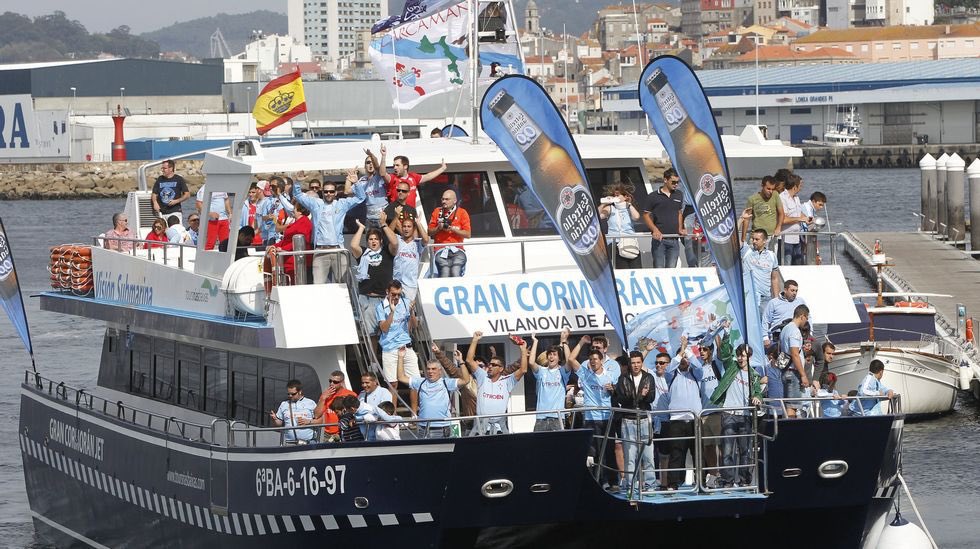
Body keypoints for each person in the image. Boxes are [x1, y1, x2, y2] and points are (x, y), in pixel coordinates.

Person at [291, 178, 366, 283]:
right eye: (326, 191)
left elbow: (361, 197)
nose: (328, 194)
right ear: (322, 192)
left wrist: (356, 182)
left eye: (331, 191)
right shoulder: (316, 204)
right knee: (318, 286)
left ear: (335, 193)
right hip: (320, 251)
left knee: (343, 286)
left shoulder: (342, 204)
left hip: (338, 250)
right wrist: (297, 182)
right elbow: (298, 195)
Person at [709, 340, 762, 488]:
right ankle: (728, 480)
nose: (740, 358)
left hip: (745, 415)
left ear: (749, 357)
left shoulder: (754, 375)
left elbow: (758, 391)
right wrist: (726, 335)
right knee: (727, 450)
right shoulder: (731, 367)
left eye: (743, 356)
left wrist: (758, 397)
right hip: (728, 413)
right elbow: (725, 352)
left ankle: (745, 480)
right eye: (739, 355)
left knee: (745, 450)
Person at [565, 345, 618, 488]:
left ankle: (613, 481)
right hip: (590, 418)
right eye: (590, 359)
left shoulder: (610, 375)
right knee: (593, 452)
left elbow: (619, 392)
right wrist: (581, 342)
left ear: (601, 361)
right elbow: (571, 359)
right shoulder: (585, 374)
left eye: (595, 359)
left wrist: (613, 389)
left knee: (609, 450)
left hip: (607, 417)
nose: (593, 362)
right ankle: (599, 481)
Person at [464, 331, 531, 435]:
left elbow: (523, 370)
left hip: (499, 429)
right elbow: (469, 360)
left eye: (494, 365)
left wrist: (522, 351)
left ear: (501, 369)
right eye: (490, 364)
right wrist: (475, 340)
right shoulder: (483, 376)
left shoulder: (507, 381)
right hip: (480, 428)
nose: (490, 366)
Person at [396, 347, 470, 438]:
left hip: (442, 427)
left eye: (433, 369)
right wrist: (400, 357)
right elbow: (401, 377)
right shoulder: (421, 382)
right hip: (423, 427)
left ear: (440, 371)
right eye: (428, 369)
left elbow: (466, 380)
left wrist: (461, 361)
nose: (430, 371)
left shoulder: (446, 382)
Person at [614, 351, 656, 493]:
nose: (636, 365)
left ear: (642, 363)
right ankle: (631, 485)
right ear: (630, 364)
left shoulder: (649, 377)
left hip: (645, 420)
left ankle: (650, 485)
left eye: (638, 362)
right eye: (633, 363)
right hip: (628, 420)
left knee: (648, 455)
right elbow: (622, 399)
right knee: (630, 456)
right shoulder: (623, 378)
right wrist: (639, 395)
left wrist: (639, 397)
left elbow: (651, 398)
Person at [664, 335, 702, 490]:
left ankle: (701, 482)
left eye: (686, 358)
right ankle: (673, 483)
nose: (684, 360)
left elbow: (699, 366)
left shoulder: (696, 373)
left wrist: (688, 351)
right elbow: (668, 368)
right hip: (677, 419)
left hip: (695, 419)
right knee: (676, 453)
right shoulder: (671, 375)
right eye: (682, 357)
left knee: (697, 452)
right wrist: (681, 350)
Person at [376, 279, 420, 395]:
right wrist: (392, 312)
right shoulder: (380, 307)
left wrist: (411, 312)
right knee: (393, 384)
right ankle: (392, 412)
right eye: (393, 294)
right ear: (387, 292)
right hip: (390, 348)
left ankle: (414, 413)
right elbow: (384, 328)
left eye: (399, 294)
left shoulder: (405, 302)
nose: (396, 297)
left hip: (406, 346)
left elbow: (415, 326)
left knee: (415, 382)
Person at [530, 328, 578, 432]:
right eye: (550, 354)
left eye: (554, 354)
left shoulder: (562, 372)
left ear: (559, 358)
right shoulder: (542, 371)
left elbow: (570, 360)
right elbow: (531, 362)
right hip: (541, 417)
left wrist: (564, 342)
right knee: (538, 447)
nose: (551, 357)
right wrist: (535, 342)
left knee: (558, 447)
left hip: (557, 417)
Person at [351, 220, 394, 335]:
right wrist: (361, 228)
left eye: (376, 239)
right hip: (366, 298)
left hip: (383, 298)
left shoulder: (387, 252)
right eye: (370, 239)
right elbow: (354, 245)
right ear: (367, 242)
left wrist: (384, 225)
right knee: (370, 335)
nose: (373, 241)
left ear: (380, 241)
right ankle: (374, 354)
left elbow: (394, 243)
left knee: (386, 332)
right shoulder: (363, 253)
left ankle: (386, 353)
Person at [380, 210, 429, 303]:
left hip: (410, 285)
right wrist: (393, 218)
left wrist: (418, 223)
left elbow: (426, 239)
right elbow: (388, 234)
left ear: (413, 228)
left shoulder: (417, 243)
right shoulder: (398, 239)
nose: (406, 229)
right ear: (401, 228)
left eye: (409, 226)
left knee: (408, 312)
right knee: (394, 309)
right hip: (396, 283)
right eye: (404, 226)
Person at [642, 168, 684, 268]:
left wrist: (680, 228)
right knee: (659, 270)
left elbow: (679, 213)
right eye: (673, 182)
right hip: (659, 240)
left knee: (671, 271)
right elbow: (645, 215)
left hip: (674, 239)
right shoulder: (653, 196)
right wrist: (655, 230)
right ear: (665, 180)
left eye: (678, 182)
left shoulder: (679, 194)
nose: (676, 185)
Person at [740, 224, 780, 320]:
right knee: (750, 326)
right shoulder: (747, 251)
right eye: (753, 239)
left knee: (764, 328)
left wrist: (776, 300)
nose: (754, 241)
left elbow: (774, 279)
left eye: (757, 239)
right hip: (749, 297)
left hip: (765, 298)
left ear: (764, 241)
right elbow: (733, 238)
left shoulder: (772, 256)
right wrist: (742, 219)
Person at [428, 189, 471, 277]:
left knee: (456, 271)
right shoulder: (437, 211)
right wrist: (438, 228)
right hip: (440, 249)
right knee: (445, 271)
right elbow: (429, 232)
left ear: (454, 201)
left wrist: (453, 229)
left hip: (457, 249)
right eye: (442, 199)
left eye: (447, 199)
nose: (444, 201)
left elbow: (468, 234)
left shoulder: (462, 212)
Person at [598, 183, 642, 269]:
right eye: (614, 195)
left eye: (618, 196)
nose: (616, 197)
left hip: (629, 242)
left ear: (625, 196)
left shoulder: (629, 208)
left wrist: (629, 204)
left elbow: (636, 217)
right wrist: (604, 204)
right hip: (615, 243)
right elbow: (598, 217)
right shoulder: (610, 208)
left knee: (636, 269)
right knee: (622, 269)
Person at [380, 154, 448, 210]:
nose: (394, 168)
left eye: (397, 165)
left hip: (410, 215)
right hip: (396, 216)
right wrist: (383, 156)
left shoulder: (413, 177)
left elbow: (428, 176)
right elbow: (383, 174)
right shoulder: (393, 178)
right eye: (394, 165)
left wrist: (442, 169)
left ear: (405, 166)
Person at [779, 304, 811, 418]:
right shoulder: (794, 331)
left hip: (786, 371)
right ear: (802, 316)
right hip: (793, 372)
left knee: (788, 405)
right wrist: (803, 375)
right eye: (806, 318)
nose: (806, 321)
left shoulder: (785, 329)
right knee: (792, 407)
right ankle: (790, 432)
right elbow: (795, 354)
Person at [269, 203, 313, 283]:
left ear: (300, 211)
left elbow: (300, 241)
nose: (293, 210)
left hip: (296, 262)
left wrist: (283, 249)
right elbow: (286, 240)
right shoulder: (296, 223)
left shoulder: (304, 222)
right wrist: (274, 246)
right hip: (288, 260)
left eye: (294, 209)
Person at [268, 379, 318, 444]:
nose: (290, 396)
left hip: (309, 442)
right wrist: (274, 419)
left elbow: (320, 421)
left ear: (300, 391)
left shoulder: (311, 403)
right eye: (288, 394)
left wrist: (308, 421)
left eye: (293, 394)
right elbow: (279, 424)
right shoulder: (284, 404)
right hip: (290, 443)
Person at [313, 371, 358, 442]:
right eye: (330, 381)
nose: (331, 384)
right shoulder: (325, 395)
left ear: (342, 382)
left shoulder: (351, 395)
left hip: (345, 431)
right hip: (328, 434)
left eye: (335, 382)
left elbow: (356, 412)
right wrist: (322, 399)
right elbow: (316, 415)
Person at [762, 279, 808, 346]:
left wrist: (809, 333)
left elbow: (808, 317)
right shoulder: (774, 302)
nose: (794, 293)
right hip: (778, 336)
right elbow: (765, 320)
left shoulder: (800, 301)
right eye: (792, 290)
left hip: (795, 334)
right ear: (785, 290)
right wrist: (765, 337)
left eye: (796, 291)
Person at [743, 175, 784, 246]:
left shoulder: (775, 195)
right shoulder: (752, 199)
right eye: (768, 189)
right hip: (756, 237)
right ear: (762, 186)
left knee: (771, 257)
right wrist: (743, 239)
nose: (771, 191)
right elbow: (746, 219)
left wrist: (778, 227)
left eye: (772, 189)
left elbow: (781, 213)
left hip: (772, 236)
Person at [779, 174, 808, 265]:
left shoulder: (797, 198)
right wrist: (801, 219)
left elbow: (799, 214)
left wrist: (808, 218)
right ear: (795, 187)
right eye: (800, 186)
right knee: (786, 265)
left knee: (798, 264)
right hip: (786, 239)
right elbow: (783, 219)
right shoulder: (782, 198)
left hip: (797, 237)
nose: (801, 188)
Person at [195, 184, 232, 251]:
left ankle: (224, 258)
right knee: (211, 242)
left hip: (224, 218)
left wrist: (230, 213)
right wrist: (209, 213)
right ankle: (206, 258)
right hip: (211, 220)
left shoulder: (223, 187)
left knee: (226, 242)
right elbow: (198, 203)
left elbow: (226, 199)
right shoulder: (204, 188)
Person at [360, 147, 389, 228]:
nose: (371, 164)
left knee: (386, 240)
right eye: (368, 162)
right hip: (369, 219)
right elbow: (347, 191)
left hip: (383, 218)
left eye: (372, 162)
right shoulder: (361, 180)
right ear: (365, 166)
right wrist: (349, 178)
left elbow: (377, 166)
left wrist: (371, 154)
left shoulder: (379, 175)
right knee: (371, 241)